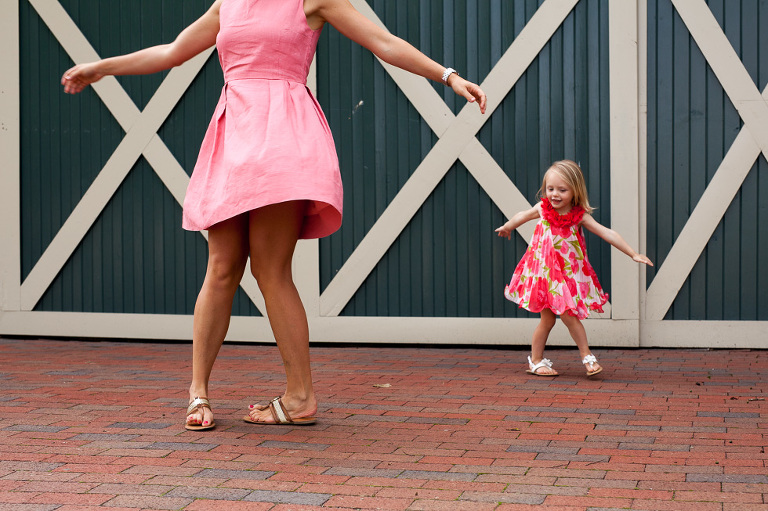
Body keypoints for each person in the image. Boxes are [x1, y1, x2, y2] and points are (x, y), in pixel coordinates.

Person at [62, 0, 487, 430]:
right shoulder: (226, 4)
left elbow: (384, 42)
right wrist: (103, 68)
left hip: (284, 138)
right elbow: (172, 51)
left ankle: (301, 397)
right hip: (234, 137)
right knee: (222, 266)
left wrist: (448, 76)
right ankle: (198, 392)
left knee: (271, 269)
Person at [495, 160, 652, 377]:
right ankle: (544, 360)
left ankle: (581, 357)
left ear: (575, 190)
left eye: (562, 190)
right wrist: (508, 226)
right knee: (549, 319)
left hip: (566, 275)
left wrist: (633, 253)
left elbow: (607, 233)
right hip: (545, 274)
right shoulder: (543, 209)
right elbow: (523, 215)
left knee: (567, 316)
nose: (555, 195)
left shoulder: (579, 217)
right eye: (550, 189)